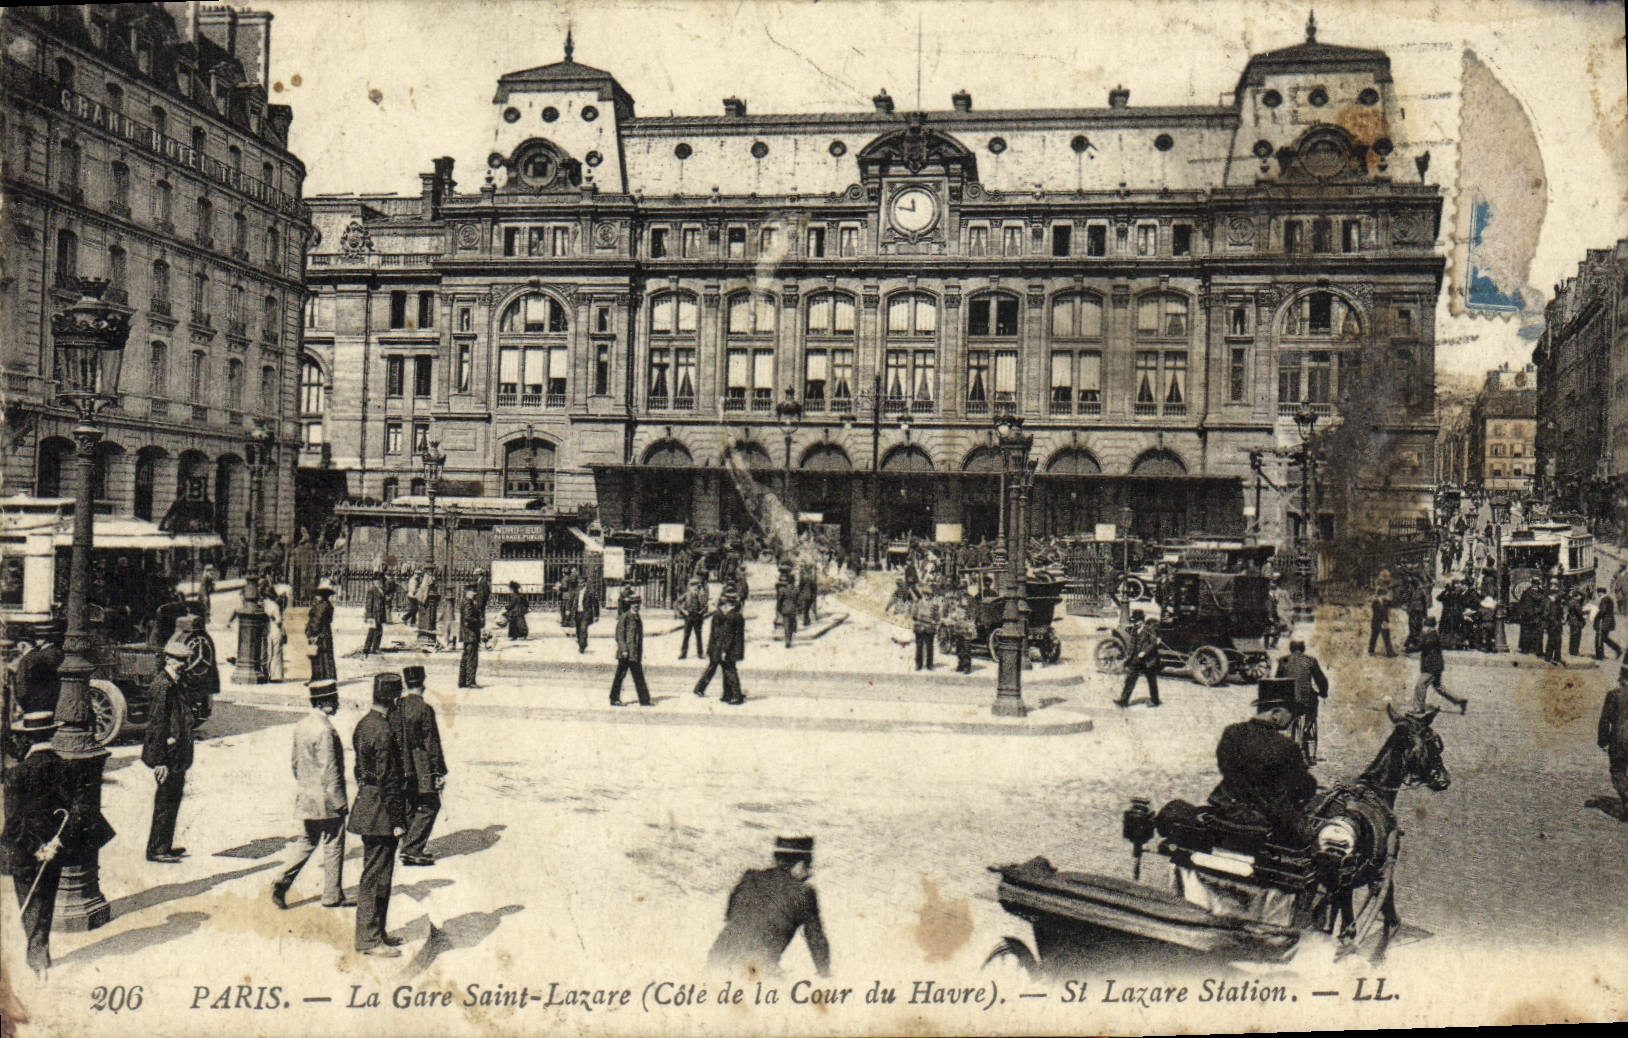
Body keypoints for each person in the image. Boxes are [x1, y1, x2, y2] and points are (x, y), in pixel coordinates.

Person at [2, 710, 113, 978]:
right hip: (55, 849)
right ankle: (39, 951)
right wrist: (55, 843)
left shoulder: (16, 775)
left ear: (27, 740)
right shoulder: (67, 768)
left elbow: (15, 821)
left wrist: (34, 847)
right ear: (52, 734)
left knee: (28, 899)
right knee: (47, 896)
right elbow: (79, 809)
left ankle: (38, 954)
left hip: (24, 849)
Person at [271, 679, 350, 910]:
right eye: (334, 700)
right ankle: (332, 895)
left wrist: (307, 787)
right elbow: (330, 769)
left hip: (307, 796)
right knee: (333, 842)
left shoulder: (302, 726)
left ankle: (282, 878)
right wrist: (339, 801)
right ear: (325, 702)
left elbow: (295, 763)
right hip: (326, 800)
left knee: (307, 841)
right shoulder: (326, 730)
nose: (337, 704)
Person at [1210, 679, 1318, 840]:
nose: (1290, 721)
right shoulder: (1287, 747)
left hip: (1226, 809)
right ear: (1276, 714)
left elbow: (1225, 767)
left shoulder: (1231, 733)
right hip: (1266, 820)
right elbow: (1302, 786)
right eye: (1291, 714)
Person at [707, 836, 830, 977]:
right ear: (800, 864)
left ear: (777, 860)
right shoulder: (804, 893)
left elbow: (730, 916)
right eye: (809, 866)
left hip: (716, 960)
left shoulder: (749, 878)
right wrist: (824, 974)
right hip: (755, 969)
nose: (809, 873)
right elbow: (816, 941)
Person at [348, 673, 408, 956]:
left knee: (380, 874)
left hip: (368, 803)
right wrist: (397, 820)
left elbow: (359, 769)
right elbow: (389, 778)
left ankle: (377, 933)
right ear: (394, 700)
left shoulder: (364, 724)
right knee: (376, 875)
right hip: (381, 812)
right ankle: (369, 939)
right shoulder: (384, 730)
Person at [141, 636, 197, 863]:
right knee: (165, 800)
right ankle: (157, 850)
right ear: (167, 659)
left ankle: (165, 845)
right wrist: (160, 761)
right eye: (178, 660)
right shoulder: (163, 685)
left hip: (178, 754)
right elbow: (157, 725)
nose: (182, 664)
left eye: (184, 660)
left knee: (172, 798)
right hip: (168, 755)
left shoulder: (175, 682)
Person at [391, 665, 447, 865]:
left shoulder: (397, 706)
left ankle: (408, 844)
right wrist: (439, 770)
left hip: (400, 762)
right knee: (431, 804)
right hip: (420, 763)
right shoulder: (424, 709)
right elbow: (432, 742)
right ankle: (412, 848)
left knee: (410, 802)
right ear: (423, 683)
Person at [1276, 639, 1330, 762]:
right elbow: (1321, 680)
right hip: (1304, 701)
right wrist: (1323, 693)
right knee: (1312, 706)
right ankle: (1307, 729)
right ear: (1303, 648)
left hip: (1288, 700)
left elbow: (1277, 680)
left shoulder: (1283, 660)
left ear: (1290, 648)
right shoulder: (1310, 661)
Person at [695, 593, 746, 705]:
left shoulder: (730, 617)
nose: (723, 608)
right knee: (728, 670)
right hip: (731, 649)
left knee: (729, 671)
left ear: (728, 605)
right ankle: (728, 695)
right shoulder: (735, 615)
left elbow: (727, 636)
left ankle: (736, 696)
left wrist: (724, 650)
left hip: (727, 649)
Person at [1412, 617, 1466, 713]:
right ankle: (1459, 701)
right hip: (1435, 666)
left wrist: (1410, 648)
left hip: (1431, 667)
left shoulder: (1431, 635)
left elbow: (1421, 645)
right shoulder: (1431, 634)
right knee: (1438, 687)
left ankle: (1418, 708)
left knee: (1420, 685)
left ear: (1430, 627)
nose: (1424, 628)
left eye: (1426, 626)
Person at [611, 592, 653, 707]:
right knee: (620, 675)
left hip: (634, 653)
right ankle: (614, 698)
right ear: (630, 604)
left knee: (638, 676)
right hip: (626, 653)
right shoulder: (625, 616)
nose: (636, 606)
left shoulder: (637, 617)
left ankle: (644, 700)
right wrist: (624, 649)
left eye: (638, 603)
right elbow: (619, 635)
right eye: (634, 603)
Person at [1115, 610, 1162, 708]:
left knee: (1151, 680)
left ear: (1142, 621)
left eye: (1136, 621)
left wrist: (1144, 652)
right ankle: (1123, 701)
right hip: (1136, 659)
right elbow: (1132, 644)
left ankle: (1155, 700)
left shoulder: (1149, 630)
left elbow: (1153, 644)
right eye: (1134, 621)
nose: (1135, 623)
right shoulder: (1135, 630)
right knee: (1130, 679)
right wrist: (1129, 656)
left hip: (1148, 660)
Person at [1598, 668, 1628, 821]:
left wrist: (1603, 742)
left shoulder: (1614, 695)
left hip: (1619, 740)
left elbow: (1605, 720)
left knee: (1617, 771)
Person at [306, 581, 337, 682]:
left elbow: (316, 621)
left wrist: (312, 634)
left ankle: (317, 678)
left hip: (318, 634)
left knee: (317, 656)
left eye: (318, 594)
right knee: (326, 656)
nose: (316, 596)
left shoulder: (320, 606)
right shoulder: (328, 605)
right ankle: (328, 677)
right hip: (326, 633)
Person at [677, 576, 708, 660]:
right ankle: (683, 653)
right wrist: (684, 611)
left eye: (696, 585)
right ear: (690, 586)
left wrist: (701, 612)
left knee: (698, 636)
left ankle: (700, 653)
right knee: (686, 636)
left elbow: (705, 606)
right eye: (692, 585)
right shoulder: (687, 595)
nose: (694, 587)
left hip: (698, 617)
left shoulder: (701, 595)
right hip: (689, 617)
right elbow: (677, 603)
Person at [457, 586, 482, 689]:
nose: (475, 594)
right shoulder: (469, 602)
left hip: (466, 634)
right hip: (471, 633)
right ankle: (470, 682)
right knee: (472, 658)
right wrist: (478, 621)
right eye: (473, 592)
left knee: (465, 658)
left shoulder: (464, 601)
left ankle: (462, 681)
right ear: (468, 592)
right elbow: (468, 617)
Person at [911, 589, 939, 671]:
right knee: (919, 646)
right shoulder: (918, 603)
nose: (927, 596)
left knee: (929, 647)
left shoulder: (934, 605)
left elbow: (937, 616)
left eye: (929, 594)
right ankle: (918, 664)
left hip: (929, 628)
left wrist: (934, 621)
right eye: (926, 594)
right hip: (919, 627)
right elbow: (914, 615)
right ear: (923, 594)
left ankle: (929, 664)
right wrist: (920, 619)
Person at [572, 573, 600, 654]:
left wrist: (596, 615)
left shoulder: (590, 592)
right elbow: (573, 601)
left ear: (585, 583)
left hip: (586, 613)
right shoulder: (577, 591)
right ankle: (583, 642)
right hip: (577, 613)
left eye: (581, 583)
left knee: (583, 630)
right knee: (578, 631)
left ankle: (582, 646)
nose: (580, 585)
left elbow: (596, 604)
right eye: (579, 583)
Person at [361, 572, 387, 657]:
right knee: (372, 631)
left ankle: (375, 648)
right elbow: (369, 604)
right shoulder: (371, 590)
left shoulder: (381, 590)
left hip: (379, 614)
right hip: (373, 615)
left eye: (381, 581)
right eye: (377, 581)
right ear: (374, 581)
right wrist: (369, 616)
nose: (380, 583)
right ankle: (366, 648)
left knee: (379, 631)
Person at [263, 591, 286, 681]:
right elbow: (278, 621)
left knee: (268, 653)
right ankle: (275, 676)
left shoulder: (263, 605)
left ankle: (266, 674)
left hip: (266, 630)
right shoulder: (275, 606)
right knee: (276, 652)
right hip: (275, 629)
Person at [1595, 588, 1623, 661]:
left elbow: (1602, 611)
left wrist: (1596, 613)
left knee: (1600, 638)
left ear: (1601, 593)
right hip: (1608, 621)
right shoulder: (1609, 599)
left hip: (1604, 622)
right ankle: (1618, 649)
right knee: (1604, 638)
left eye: (1599, 593)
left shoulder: (1604, 599)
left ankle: (1600, 656)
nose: (1598, 594)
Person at [775, 568, 799, 649]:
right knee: (791, 625)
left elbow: (779, 600)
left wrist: (778, 609)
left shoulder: (783, 590)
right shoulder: (796, 590)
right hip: (793, 609)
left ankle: (787, 641)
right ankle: (790, 640)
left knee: (786, 626)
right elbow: (797, 600)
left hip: (785, 609)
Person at [1543, 580, 1565, 665]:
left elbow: (1559, 611)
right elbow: (1546, 613)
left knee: (1557, 641)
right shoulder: (1548, 601)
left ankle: (1556, 657)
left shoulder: (1556, 602)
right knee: (1552, 640)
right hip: (1552, 623)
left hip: (1557, 623)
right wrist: (1551, 621)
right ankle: (1550, 657)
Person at [1367, 589, 1395, 657]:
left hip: (1383, 622)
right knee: (1374, 637)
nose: (1386, 596)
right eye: (1385, 595)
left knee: (1387, 637)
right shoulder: (1375, 603)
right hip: (1377, 622)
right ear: (1381, 595)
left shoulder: (1385, 602)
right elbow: (1377, 614)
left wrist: (1392, 596)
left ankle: (1390, 653)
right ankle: (1371, 651)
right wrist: (1382, 622)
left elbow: (1393, 603)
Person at [1568, 587, 1590, 658]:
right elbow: (1579, 612)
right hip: (1576, 622)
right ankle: (1575, 652)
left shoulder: (1571, 601)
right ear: (1577, 596)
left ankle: (1572, 651)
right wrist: (1587, 611)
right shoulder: (1576, 603)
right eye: (1580, 596)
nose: (1581, 598)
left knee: (1573, 637)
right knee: (1577, 637)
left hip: (1572, 622)